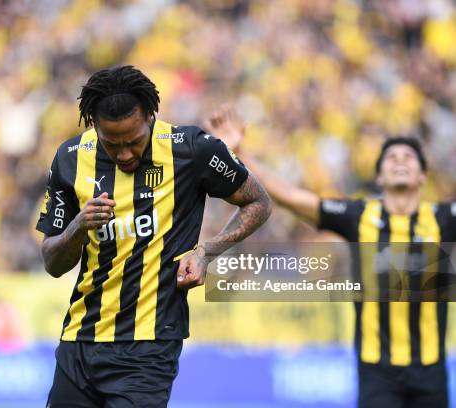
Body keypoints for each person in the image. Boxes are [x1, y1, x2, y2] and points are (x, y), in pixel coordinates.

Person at [36, 65, 271, 407]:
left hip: (149, 350)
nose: (125, 154)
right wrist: (76, 228)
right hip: (79, 342)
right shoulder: (70, 159)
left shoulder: (192, 149)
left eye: (133, 141)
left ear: (150, 116)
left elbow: (258, 202)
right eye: (112, 144)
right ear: (95, 127)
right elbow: (52, 262)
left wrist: (207, 251)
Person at [206, 107, 455, 408]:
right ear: (379, 175)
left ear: (423, 175)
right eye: (392, 158)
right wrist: (240, 151)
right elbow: (289, 197)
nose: (400, 162)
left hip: (431, 370)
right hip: (377, 371)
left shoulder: (443, 218)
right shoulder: (359, 215)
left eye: (408, 158)